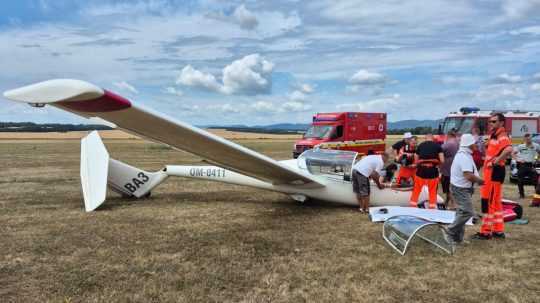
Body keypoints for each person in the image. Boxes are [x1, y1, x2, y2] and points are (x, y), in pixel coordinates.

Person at [475, 113, 513, 240]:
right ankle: (498, 230)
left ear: (501, 123)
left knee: (488, 201)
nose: (491, 124)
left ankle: (486, 231)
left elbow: (508, 149)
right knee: (495, 202)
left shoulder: (501, 135)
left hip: (493, 172)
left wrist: (495, 161)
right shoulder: (495, 135)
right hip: (493, 172)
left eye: (494, 121)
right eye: (490, 121)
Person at [445, 134, 484, 244]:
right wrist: (481, 181)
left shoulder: (465, 154)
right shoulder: (464, 156)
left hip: (462, 187)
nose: (476, 145)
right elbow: (468, 175)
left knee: (461, 212)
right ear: (470, 144)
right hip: (461, 189)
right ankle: (449, 231)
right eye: (474, 143)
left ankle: (457, 238)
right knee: (467, 212)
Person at [410, 133, 444, 209]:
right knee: (432, 190)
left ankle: (412, 206)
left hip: (421, 171)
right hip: (433, 172)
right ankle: (432, 207)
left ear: (425, 138)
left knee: (417, 189)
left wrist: (417, 164)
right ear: (433, 138)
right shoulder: (438, 146)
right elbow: (442, 160)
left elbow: (416, 158)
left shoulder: (420, 146)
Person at [512, 133, 540, 198]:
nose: (528, 140)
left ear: (531, 139)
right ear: (524, 139)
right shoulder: (521, 146)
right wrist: (517, 160)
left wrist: (537, 159)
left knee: (535, 181)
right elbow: (513, 153)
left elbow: (539, 153)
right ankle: (522, 195)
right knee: (520, 181)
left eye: (529, 139)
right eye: (527, 139)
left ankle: (537, 196)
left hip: (532, 165)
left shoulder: (536, 146)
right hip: (523, 165)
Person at [441, 130, 459, 208]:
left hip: (447, 168)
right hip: (456, 166)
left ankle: (454, 205)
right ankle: (446, 202)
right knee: (451, 186)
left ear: (448, 135)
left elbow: (440, 150)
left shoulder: (448, 144)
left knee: (448, 187)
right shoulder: (458, 142)